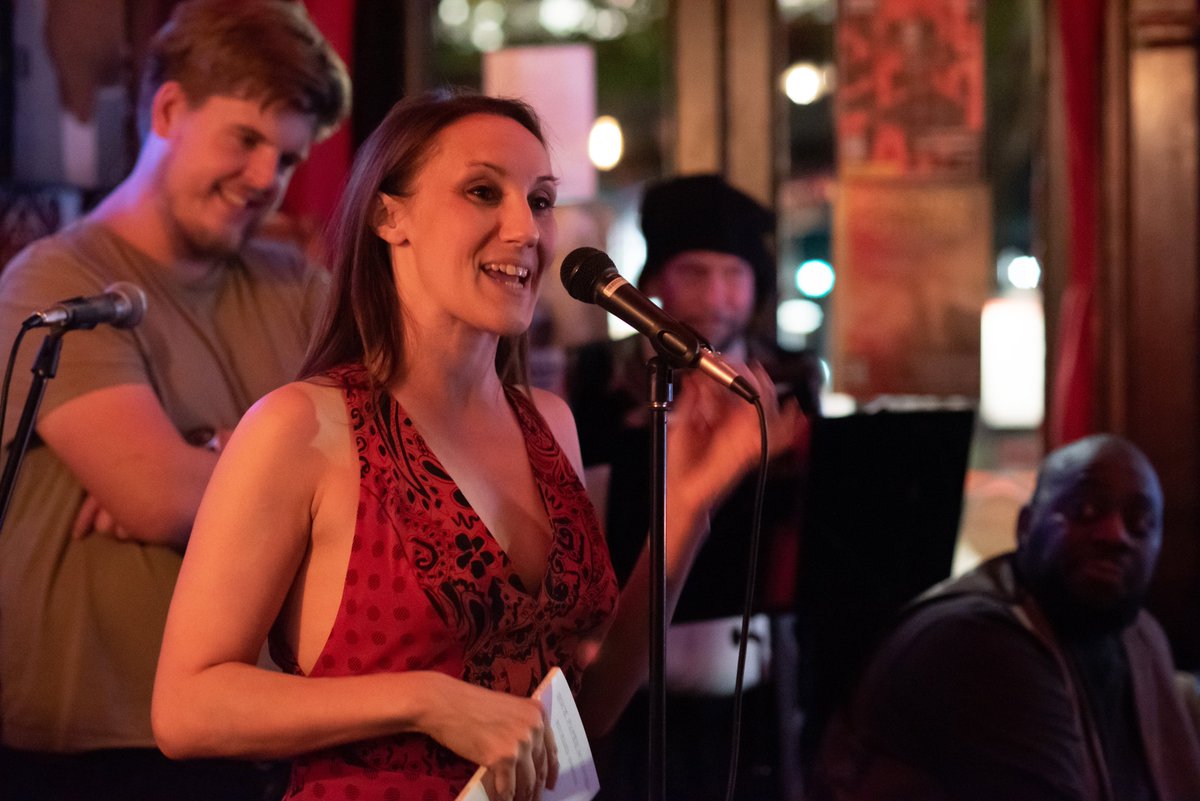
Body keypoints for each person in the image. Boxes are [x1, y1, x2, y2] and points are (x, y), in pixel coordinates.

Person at [149, 89, 800, 801]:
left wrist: (686, 513)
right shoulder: (302, 426)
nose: (526, 228)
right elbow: (187, 708)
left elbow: (585, 715)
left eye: (541, 200)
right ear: (387, 215)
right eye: (483, 191)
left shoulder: (549, 423)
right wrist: (426, 699)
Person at [0, 2, 350, 799]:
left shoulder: (298, 286)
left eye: (289, 158)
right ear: (167, 110)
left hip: (263, 736)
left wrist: (217, 464)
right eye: (246, 139)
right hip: (89, 753)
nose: (267, 179)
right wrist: (282, 476)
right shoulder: (56, 282)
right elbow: (157, 497)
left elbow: (387, 470)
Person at [565, 173, 820, 801]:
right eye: (695, 273)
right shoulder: (597, 382)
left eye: (734, 275)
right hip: (628, 692)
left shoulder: (788, 382)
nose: (716, 297)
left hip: (752, 686)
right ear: (653, 283)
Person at [812, 434, 1200, 801]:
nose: (1116, 535)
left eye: (1141, 522)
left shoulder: (1138, 636)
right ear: (1025, 526)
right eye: (1086, 509)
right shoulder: (978, 642)